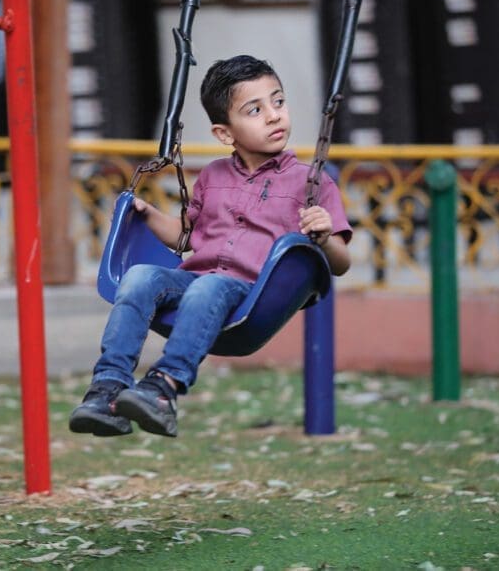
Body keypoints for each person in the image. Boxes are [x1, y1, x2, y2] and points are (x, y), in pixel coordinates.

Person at [69, 54, 352, 438]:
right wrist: (148, 214)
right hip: (197, 279)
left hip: (250, 295)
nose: (273, 115)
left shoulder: (310, 183)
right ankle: (107, 388)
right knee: (139, 278)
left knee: (209, 286)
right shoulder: (212, 176)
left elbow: (340, 264)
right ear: (225, 133)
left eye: (278, 101)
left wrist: (323, 236)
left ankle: (164, 388)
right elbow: (185, 237)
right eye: (255, 109)